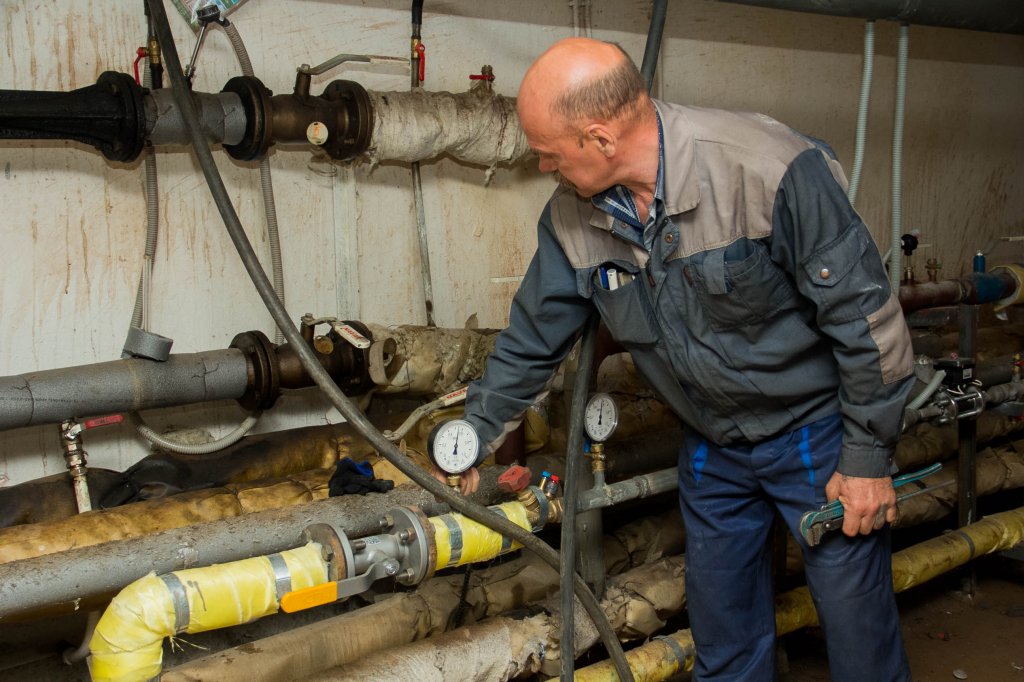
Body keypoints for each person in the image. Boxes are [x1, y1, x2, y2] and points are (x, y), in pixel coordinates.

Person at [441, 37, 914, 681]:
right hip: (712, 443)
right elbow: (531, 340)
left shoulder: (767, 169)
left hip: (817, 436)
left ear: (600, 139)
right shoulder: (571, 220)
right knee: (724, 637)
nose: (544, 166)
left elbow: (867, 320)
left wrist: (866, 460)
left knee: (857, 634)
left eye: (550, 152)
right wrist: (472, 436)